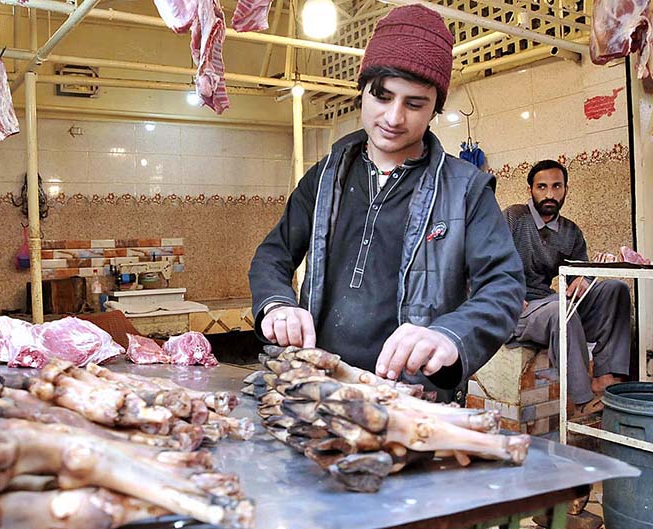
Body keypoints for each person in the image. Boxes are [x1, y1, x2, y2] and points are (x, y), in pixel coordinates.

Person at [248, 4, 525, 404]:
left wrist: (450, 336)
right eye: (382, 96)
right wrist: (277, 305)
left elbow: (503, 286)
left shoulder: (467, 189)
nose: (394, 117)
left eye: (414, 103)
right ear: (363, 90)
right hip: (318, 386)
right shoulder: (324, 178)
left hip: (413, 399)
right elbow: (272, 255)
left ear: (435, 108)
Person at [504, 160, 630, 415]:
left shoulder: (571, 231)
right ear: (530, 190)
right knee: (562, 310)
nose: (549, 194)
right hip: (514, 307)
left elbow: (579, 271)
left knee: (616, 289)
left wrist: (584, 279)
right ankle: (582, 400)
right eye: (542, 187)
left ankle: (606, 376)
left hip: (546, 301)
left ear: (565, 190)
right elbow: (485, 257)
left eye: (556, 186)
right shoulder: (514, 217)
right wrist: (506, 293)